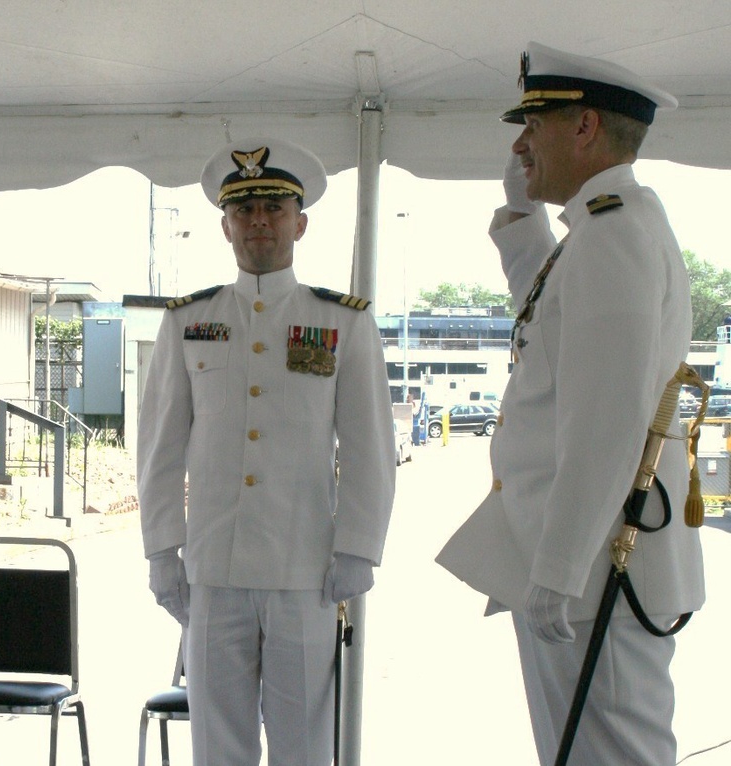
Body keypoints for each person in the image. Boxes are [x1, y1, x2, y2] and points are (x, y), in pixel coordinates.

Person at [436, 42, 705, 765]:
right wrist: (520, 217)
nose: (521, 144)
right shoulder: (602, 229)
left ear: (584, 128)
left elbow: (604, 422)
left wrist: (557, 569)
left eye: (533, 123)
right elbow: (549, 322)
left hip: (596, 566)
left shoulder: (612, 233)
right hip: (590, 560)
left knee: (610, 756)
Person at [137, 137, 396, 765]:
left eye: (274, 208)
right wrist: (161, 548)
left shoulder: (343, 323)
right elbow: (160, 448)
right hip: (213, 573)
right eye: (244, 209)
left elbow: (369, 448)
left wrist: (359, 547)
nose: (259, 221)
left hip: (303, 573)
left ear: (300, 223)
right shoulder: (187, 321)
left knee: (303, 745)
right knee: (216, 745)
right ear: (225, 226)